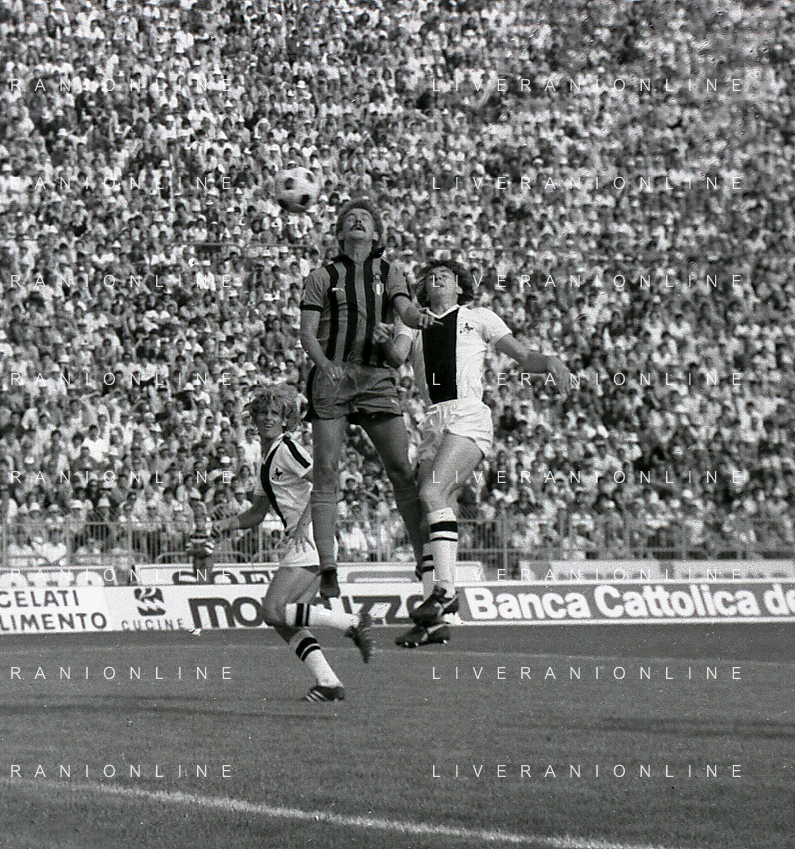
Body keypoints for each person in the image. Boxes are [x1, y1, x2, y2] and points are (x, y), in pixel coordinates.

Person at [380, 259, 571, 647]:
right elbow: (396, 357)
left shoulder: (478, 317)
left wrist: (550, 361)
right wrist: (381, 337)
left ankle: (446, 592)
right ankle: (433, 623)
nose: (437, 278)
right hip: (432, 420)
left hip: (467, 413)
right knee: (426, 521)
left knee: (432, 493)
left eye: (446, 275)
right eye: (432, 276)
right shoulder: (412, 322)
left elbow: (523, 356)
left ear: (459, 287)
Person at [299, 198, 437, 599]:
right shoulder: (322, 276)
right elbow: (307, 333)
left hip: (377, 377)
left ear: (376, 234)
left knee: (400, 469)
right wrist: (325, 364)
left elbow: (405, 310)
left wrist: (417, 318)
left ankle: (423, 557)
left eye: (365, 218)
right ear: (340, 233)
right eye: (350, 218)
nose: (358, 220)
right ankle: (328, 567)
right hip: (334, 375)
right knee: (326, 470)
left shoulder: (390, 272)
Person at [212, 385, 374, 702]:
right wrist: (226, 524)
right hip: (305, 538)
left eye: (275, 414)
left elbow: (327, 481)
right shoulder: (266, 459)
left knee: (272, 610)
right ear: (254, 419)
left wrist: (302, 523)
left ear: (286, 420)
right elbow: (258, 512)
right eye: (263, 413)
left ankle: (353, 623)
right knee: (286, 620)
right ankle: (328, 682)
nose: (268, 418)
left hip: (310, 536)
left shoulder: (287, 448)